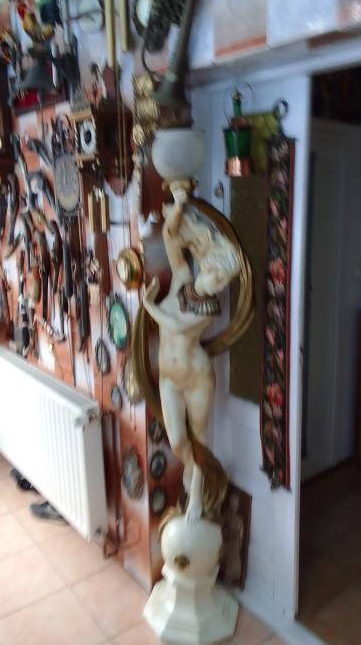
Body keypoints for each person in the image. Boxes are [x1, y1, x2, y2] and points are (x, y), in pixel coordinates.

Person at [142, 183, 240, 522]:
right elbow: (170, 237)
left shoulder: (208, 309)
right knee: (177, 441)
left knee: (198, 441)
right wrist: (180, 206)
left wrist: (149, 305)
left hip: (197, 378)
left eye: (222, 282)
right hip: (169, 377)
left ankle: (197, 495)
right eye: (216, 275)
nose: (217, 285)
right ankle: (198, 474)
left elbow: (175, 326)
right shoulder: (182, 277)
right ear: (206, 265)